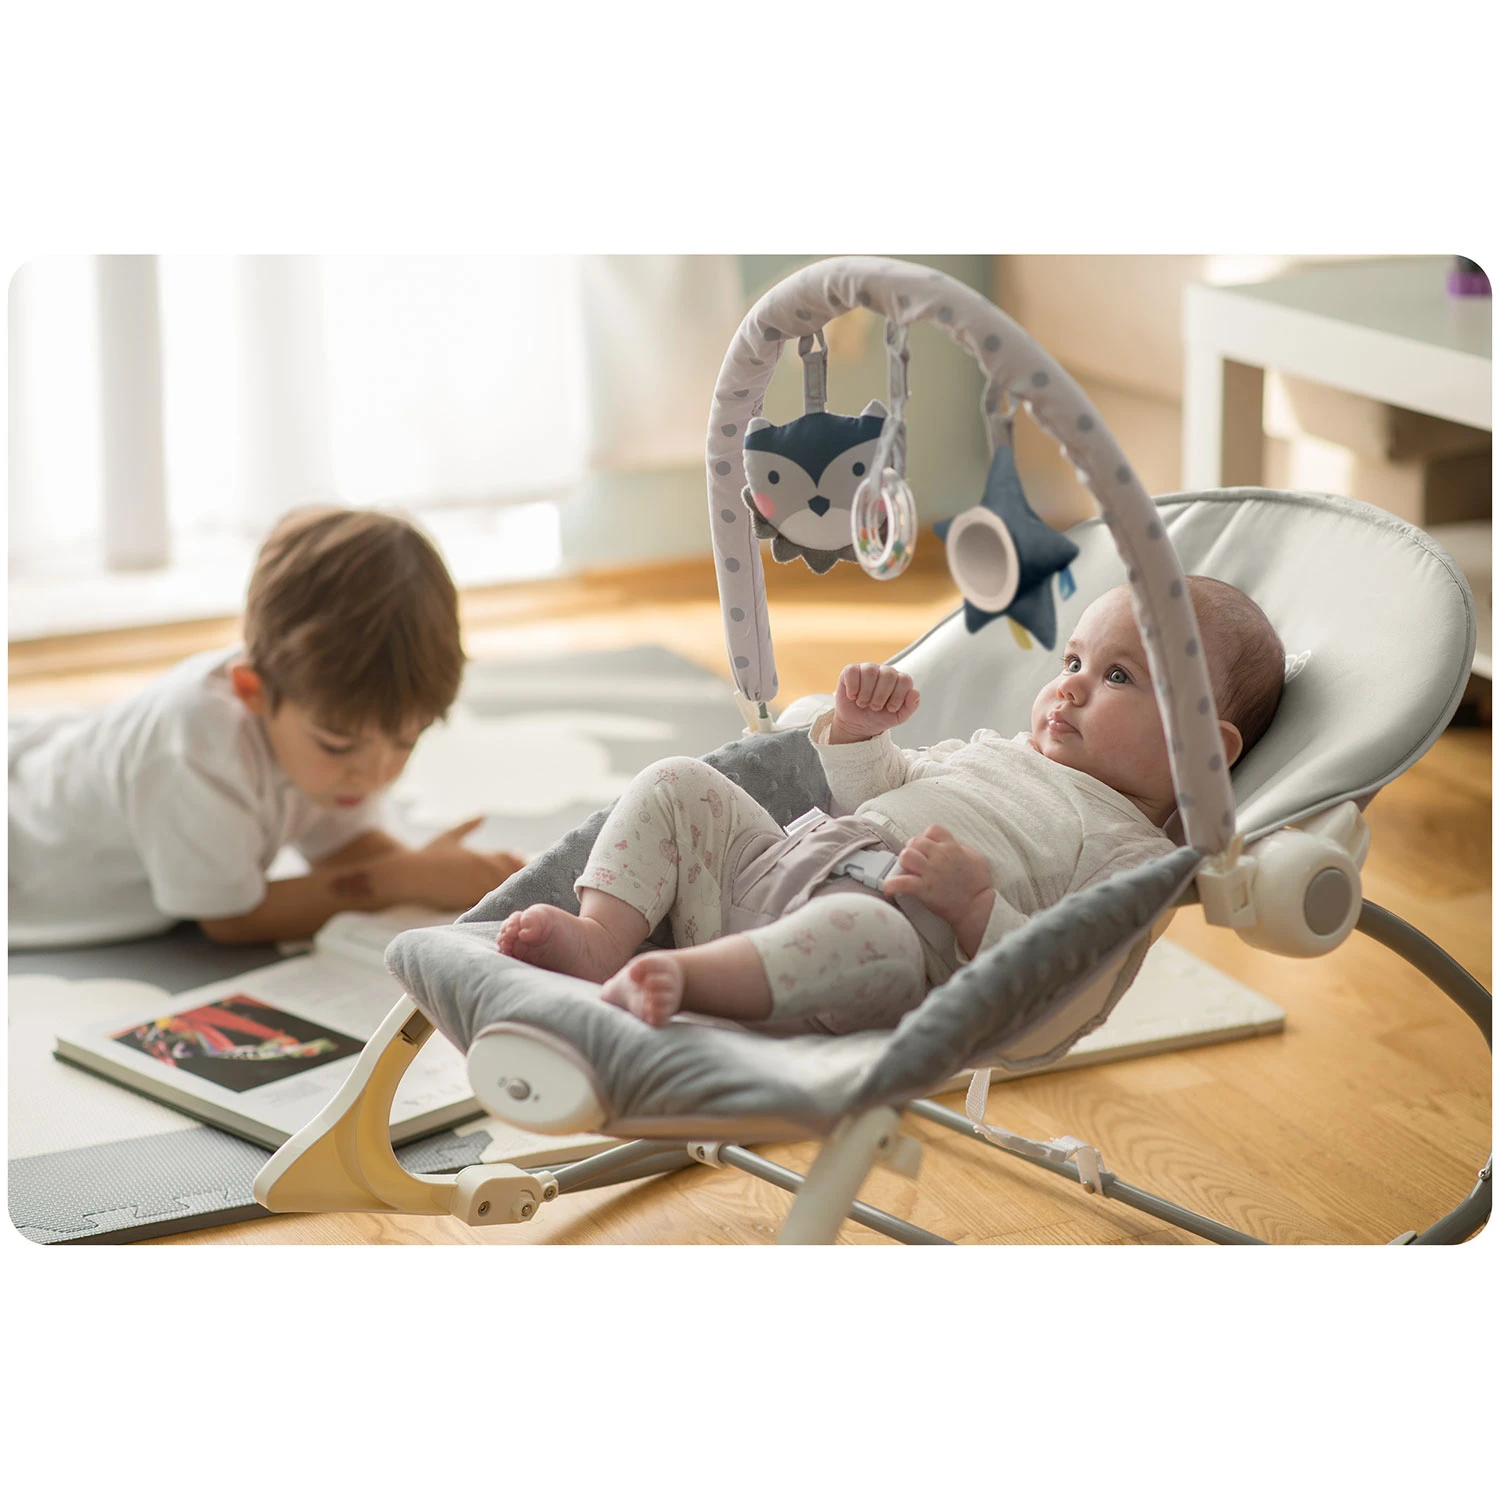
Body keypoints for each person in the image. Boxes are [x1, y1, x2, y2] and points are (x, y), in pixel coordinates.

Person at [496, 576, 1284, 1033]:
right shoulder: (1000, 751)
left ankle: (685, 980)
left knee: (871, 935)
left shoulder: (1130, 852)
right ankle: (603, 940)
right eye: (1073, 660)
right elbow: (878, 790)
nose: (1070, 688)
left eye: (1118, 677)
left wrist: (975, 908)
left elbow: (1067, 989)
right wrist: (857, 733)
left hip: (864, 952)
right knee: (678, 782)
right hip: (775, 868)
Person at [9, 506, 523, 949]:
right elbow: (232, 918)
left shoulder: (327, 730)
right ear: (252, 691)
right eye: (337, 745)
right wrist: (407, 878)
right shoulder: (194, 749)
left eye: (406, 741)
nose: (374, 774)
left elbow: (343, 847)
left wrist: (445, 874)